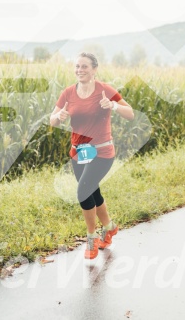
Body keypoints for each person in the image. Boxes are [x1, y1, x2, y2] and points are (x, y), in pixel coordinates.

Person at [50, 52, 135, 259]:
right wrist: (59, 117)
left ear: (94, 69)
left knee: (82, 191)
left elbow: (130, 113)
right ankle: (110, 227)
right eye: (77, 66)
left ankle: (92, 237)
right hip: (79, 153)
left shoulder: (104, 90)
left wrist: (113, 105)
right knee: (92, 193)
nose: (80, 70)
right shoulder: (68, 93)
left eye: (84, 67)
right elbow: (52, 120)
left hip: (102, 151)